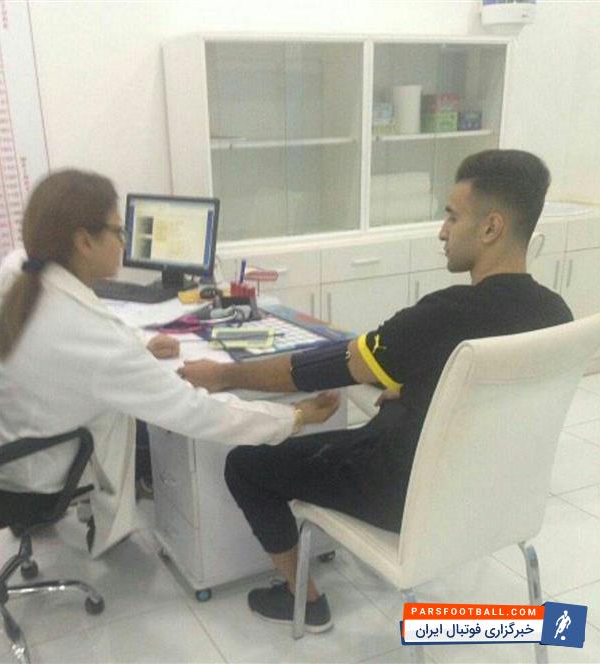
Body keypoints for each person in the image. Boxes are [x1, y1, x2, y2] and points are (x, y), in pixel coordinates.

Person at [179, 149, 573, 633]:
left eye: (452, 217)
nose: (442, 231)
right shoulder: (557, 315)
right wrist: (415, 390)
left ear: (491, 228)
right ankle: (525, 626)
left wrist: (225, 376)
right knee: (386, 402)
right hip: (498, 500)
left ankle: (305, 600)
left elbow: (321, 369)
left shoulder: (442, 316)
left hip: (406, 498)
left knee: (244, 465)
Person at [0, 169, 338, 557]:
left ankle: (119, 514)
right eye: (118, 231)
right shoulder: (95, 340)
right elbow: (195, 412)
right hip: (25, 473)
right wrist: (292, 417)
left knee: (121, 405)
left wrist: (140, 343)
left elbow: (87, 329)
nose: (124, 242)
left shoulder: (18, 267)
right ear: (84, 241)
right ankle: (113, 529)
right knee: (125, 414)